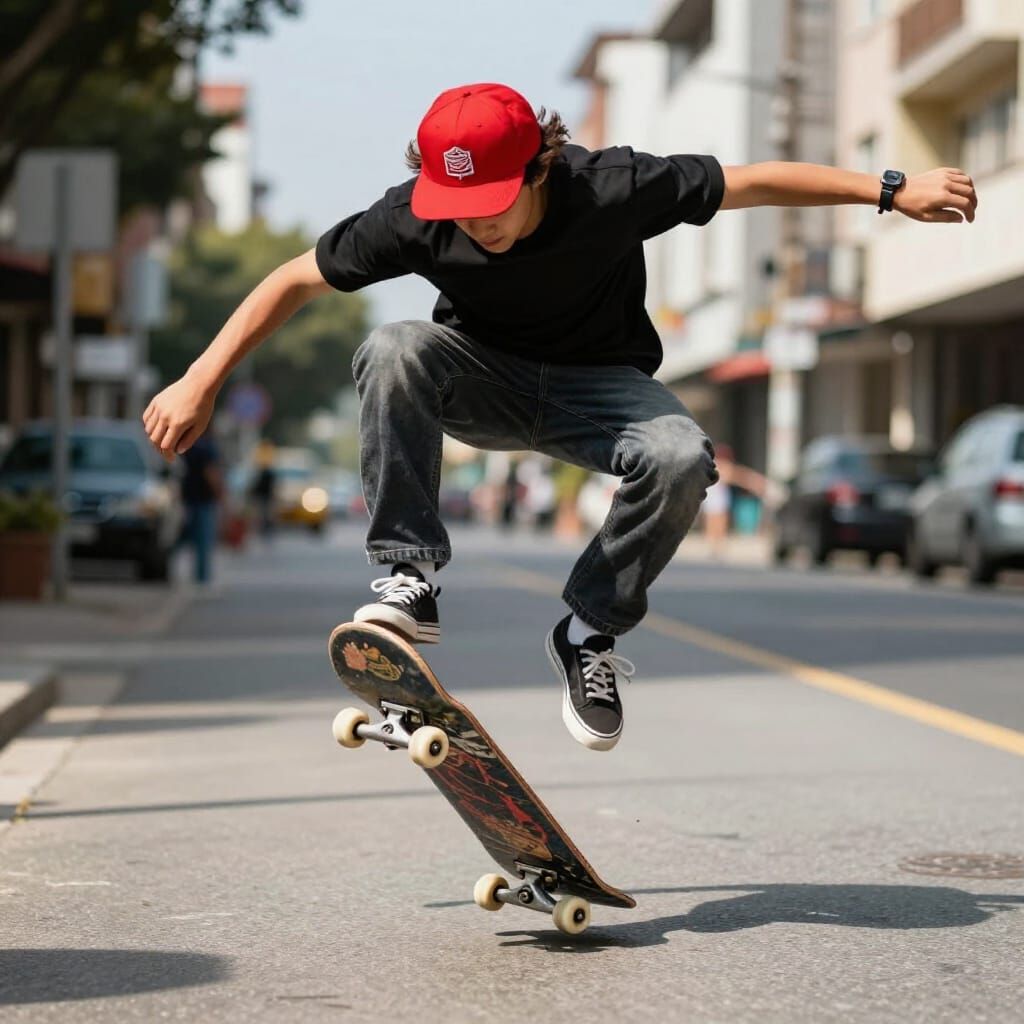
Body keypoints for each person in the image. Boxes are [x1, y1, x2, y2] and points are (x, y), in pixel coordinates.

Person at [142, 82, 977, 751]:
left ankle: (589, 632)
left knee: (681, 454)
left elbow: (749, 182)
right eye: (460, 207)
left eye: (493, 202)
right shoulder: (416, 214)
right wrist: (200, 380)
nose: (477, 223)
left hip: (600, 389)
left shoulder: (613, 185)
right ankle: (409, 576)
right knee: (394, 345)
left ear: (540, 168)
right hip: (482, 381)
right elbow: (293, 278)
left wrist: (890, 189)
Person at [178, 431, 223, 585]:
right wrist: (220, 494)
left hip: (188, 499)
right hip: (204, 499)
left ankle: (195, 575)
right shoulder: (207, 447)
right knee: (203, 540)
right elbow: (211, 472)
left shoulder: (186, 446)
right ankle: (202, 577)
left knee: (187, 537)